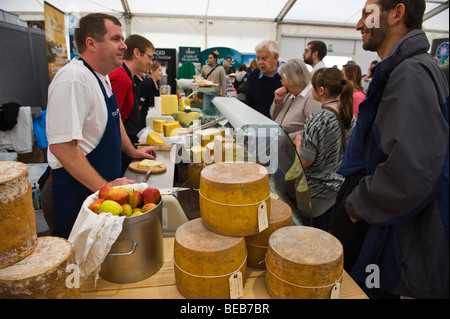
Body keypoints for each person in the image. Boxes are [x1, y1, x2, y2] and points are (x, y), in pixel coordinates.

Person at [330, 0, 449, 299]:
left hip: (397, 243)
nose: (359, 25)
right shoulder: (408, 69)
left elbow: (415, 169)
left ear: (397, 13)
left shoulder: (410, 73)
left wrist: (355, 208)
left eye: (367, 13)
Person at [46, 13, 157, 239]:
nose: (124, 46)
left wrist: (133, 151)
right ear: (91, 43)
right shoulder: (73, 79)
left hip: (100, 192)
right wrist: (105, 187)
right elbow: (63, 147)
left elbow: (114, 120)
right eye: (116, 39)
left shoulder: (102, 77)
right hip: (77, 194)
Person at [295, 67, 355, 231]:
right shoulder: (349, 115)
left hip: (317, 194)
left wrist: (299, 142)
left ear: (321, 90)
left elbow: (305, 161)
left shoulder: (316, 119)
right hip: (338, 191)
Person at [109, 34, 154, 172]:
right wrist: (131, 151)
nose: (151, 62)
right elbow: (113, 121)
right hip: (118, 153)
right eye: (149, 57)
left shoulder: (128, 77)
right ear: (136, 53)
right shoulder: (121, 78)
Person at [270, 59, 321, 143]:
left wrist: (287, 138)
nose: (283, 83)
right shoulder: (290, 94)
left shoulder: (311, 98)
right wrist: (278, 102)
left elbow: (314, 130)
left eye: (284, 80)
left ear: (294, 79)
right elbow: (274, 117)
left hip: (293, 148)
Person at [245, 39, 282, 118]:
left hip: (284, 127)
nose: (260, 62)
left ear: (275, 57)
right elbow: (248, 105)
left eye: (264, 58)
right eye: (258, 58)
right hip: (260, 125)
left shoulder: (288, 73)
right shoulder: (253, 77)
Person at [136, 62, 162, 129]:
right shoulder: (147, 84)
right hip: (143, 119)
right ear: (152, 71)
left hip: (151, 116)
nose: (161, 73)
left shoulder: (156, 84)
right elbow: (140, 104)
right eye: (159, 70)